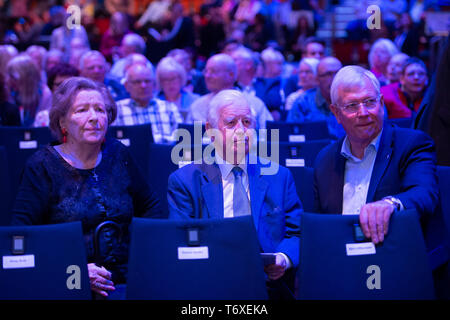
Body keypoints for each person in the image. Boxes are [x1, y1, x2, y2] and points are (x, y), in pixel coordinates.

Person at [11, 77, 163, 298]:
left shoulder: (119, 154)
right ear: (62, 122)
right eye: (82, 110)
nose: (94, 118)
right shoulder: (41, 165)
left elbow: (150, 207)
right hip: (69, 284)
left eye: (100, 110)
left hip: (129, 280)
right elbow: (21, 238)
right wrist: (75, 271)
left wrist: (145, 254)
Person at [167, 89, 302, 299]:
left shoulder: (279, 176)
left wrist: (283, 258)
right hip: (209, 285)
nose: (241, 131)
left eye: (247, 123)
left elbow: (297, 232)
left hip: (269, 286)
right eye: (231, 123)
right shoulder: (185, 181)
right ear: (210, 131)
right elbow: (182, 241)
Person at [314, 66, 438, 244]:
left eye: (370, 102)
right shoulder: (325, 160)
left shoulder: (412, 144)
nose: (363, 113)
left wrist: (390, 204)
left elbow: (424, 193)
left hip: (392, 256)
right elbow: (319, 225)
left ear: (381, 103)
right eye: (352, 105)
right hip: (340, 259)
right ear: (336, 113)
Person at [186, 53, 273, 130]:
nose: (207, 75)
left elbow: (271, 137)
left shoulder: (254, 104)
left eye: (213, 71)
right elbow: (187, 142)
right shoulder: (197, 106)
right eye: (206, 71)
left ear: (231, 75)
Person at [113, 63, 182, 143]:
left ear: (154, 84)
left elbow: (182, 139)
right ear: (127, 86)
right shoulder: (117, 110)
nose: (143, 86)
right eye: (137, 82)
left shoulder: (169, 108)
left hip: (165, 154)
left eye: (147, 81)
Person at [287, 56, 345, 139]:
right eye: (328, 74)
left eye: (338, 73)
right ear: (317, 79)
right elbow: (292, 136)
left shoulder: (352, 101)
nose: (335, 78)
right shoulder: (303, 102)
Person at [6, 55, 52, 127]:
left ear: (27, 78)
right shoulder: (8, 93)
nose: (8, 80)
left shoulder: (44, 94)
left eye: (13, 77)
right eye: (8, 76)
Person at [155, 56, 199, 122]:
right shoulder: (154, 102)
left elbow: (198, 129)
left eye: (173, 79)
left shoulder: (195, 100)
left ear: (181, 78)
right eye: (165, 79)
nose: (170, 83)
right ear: (160, 81)